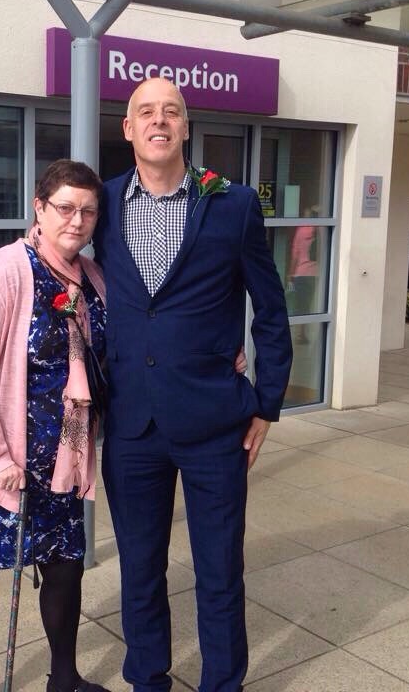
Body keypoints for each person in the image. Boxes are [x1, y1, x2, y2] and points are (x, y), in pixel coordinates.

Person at [93, 78, 293, 692]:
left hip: (214, 424)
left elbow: (271, 307)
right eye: (145, 112)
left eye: (171, 111)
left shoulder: (231, 204)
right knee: (141, 571)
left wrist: (267, 404)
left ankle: (221, 683)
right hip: (131, 426)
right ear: (127, 129)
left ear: (186, 127)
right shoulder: (99, 205)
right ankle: (147, 679)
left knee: (219, 572)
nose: (159, 121)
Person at [0, 159, 111, 692]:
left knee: (64, 568)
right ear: (40, 208)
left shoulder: (93, 277)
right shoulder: (2, 272)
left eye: (87, 211)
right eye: (64, 208)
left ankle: (65, 677)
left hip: (61, 459)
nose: (76, 221)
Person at [287, 205, 319, 342]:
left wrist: (290, 274)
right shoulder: (318, 229)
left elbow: (295, 255)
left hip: (301, 273)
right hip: (314, 273)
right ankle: (303, 333)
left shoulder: (301, 230)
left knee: (300, 304)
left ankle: (300, 333)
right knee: (307, 304)